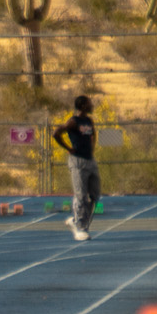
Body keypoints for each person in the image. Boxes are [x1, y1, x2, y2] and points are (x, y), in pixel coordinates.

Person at [51, 96, 99, 242]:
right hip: (77, 161)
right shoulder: (74, 121)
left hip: (89, 160)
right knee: (81, 195)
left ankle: (78, 222)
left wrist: (91, 148)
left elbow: (93, 135)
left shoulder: (89, 121)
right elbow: (56, 133)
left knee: (94, 195)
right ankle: (80, 227)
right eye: (89, 103)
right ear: (83, 105)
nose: (92, 105)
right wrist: (68, 148)